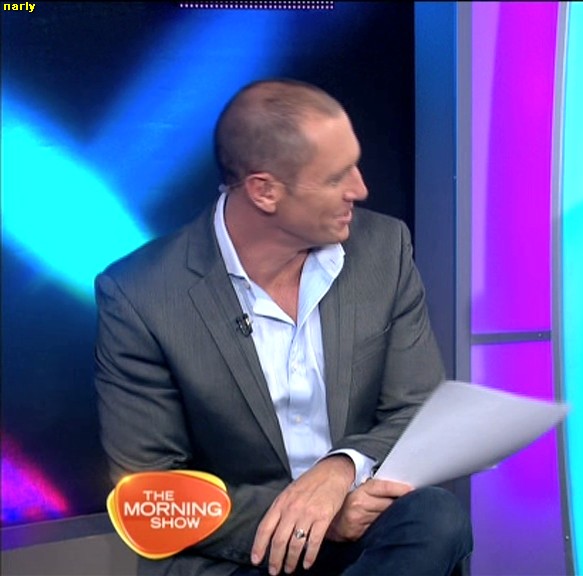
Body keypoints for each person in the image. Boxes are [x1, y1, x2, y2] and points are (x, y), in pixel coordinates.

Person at [94, 79, 473, 575]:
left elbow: (417, 407)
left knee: (437, 517)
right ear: (265, 191)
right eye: (336, 177)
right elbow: (151, 493)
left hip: (362, 533)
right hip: (239, 552)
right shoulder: (141, 293)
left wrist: (340, 469)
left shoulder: (384, 248)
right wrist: (314, 516)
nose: (360, 189)